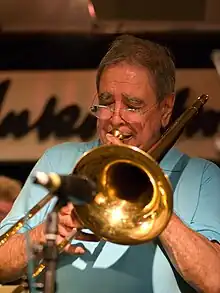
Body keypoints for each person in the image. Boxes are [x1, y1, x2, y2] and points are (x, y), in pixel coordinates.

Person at [0, 34, 220, 293]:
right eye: (105, 102)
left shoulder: (202, 175)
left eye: (132, 105)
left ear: (166, 109)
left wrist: (153, 204)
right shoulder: (58, 160)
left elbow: (214, 281)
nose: (115, 118)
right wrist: (43, 234)